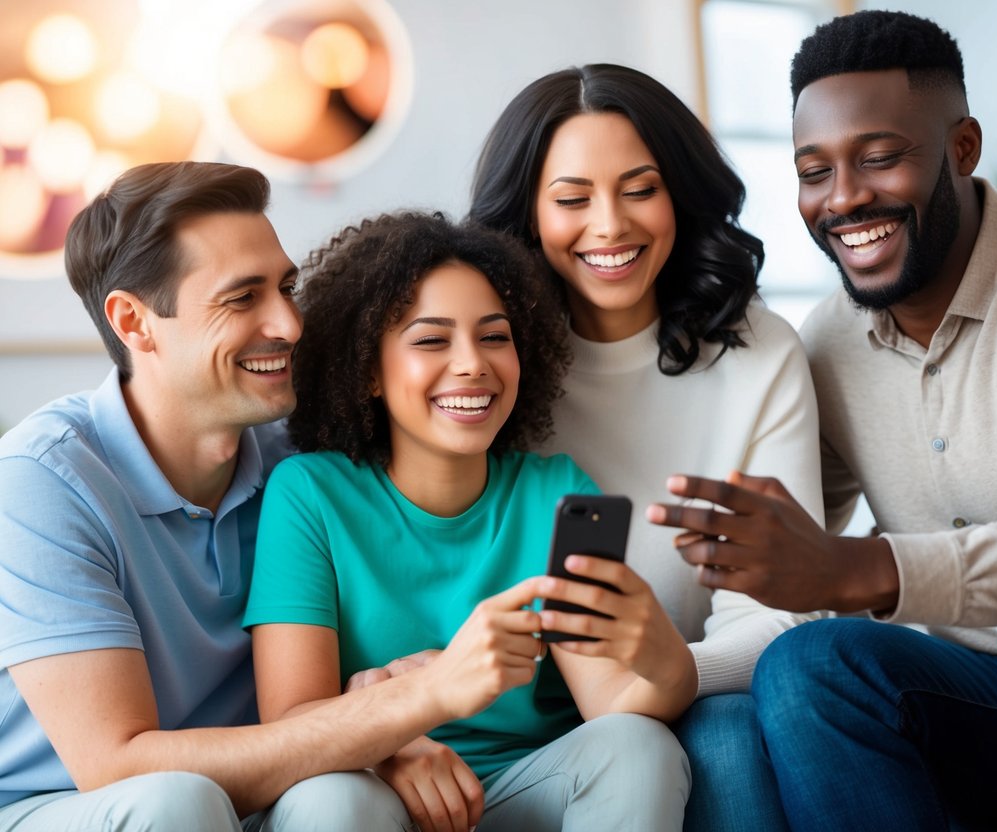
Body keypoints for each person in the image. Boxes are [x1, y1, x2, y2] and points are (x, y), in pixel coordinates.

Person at [647, 9, 997, 830]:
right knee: (811, 665)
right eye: (814, 171)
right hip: (987, 702)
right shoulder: (829, 348)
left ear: (962, 148)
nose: (843, 199)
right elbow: (791, 571)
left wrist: (863, 569)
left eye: (879, 158)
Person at [0, 162, 546, 831]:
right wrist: (401, 711)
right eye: (242, 298)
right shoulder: (43, 481)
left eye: (286, 288)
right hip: (65, 806)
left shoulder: (304, 458)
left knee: (340, 797)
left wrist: (377, 732)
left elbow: (335, 693)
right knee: (178, 801)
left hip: (258, 794)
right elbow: (116, 766)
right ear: (133, 322)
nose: (289, 323)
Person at [244, 211, 690, 832]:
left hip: (524, 792)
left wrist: (668, 659)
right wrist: (387, 739)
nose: (473, 364)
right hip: (375, 794)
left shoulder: (558, 492)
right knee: (333, 799)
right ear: (368, 370)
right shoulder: (310, 493)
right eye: (431, 340)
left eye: (494, 336)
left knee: (641, 747)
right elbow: (289, 723)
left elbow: (614, 703)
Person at [469, 63, 825, 832]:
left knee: (722, 734)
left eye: (639, 189)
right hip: (518, 723)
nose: (609, 226)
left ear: (681, 194)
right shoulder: (483, 363)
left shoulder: (757, 354)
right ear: (527, 213)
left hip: (687, 697)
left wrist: (671, 674)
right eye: (571, 199)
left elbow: (782, 606)